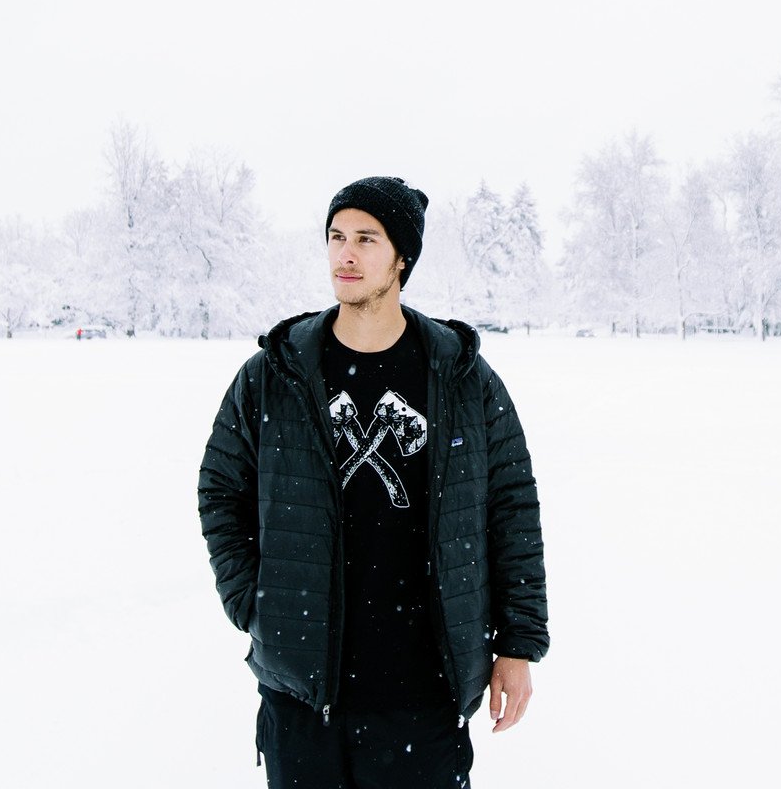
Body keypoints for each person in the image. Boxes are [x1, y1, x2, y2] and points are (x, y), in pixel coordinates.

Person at [198, 174, 549, 788]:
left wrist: (517, 644)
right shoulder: (274, 376)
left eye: (366, 239)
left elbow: (511, 507)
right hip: (305, 695)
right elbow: (221, 491)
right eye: (336, 237)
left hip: (424, 691)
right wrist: (256, 604)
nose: (346, 254)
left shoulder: (462, 379)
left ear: (401, 258)